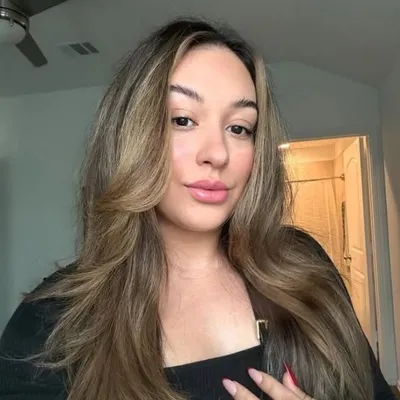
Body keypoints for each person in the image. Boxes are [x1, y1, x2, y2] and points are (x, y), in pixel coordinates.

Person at [0, 17, 395, 400]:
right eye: (183, 120)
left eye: (239, 128)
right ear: (130, 135)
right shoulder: (49, 321)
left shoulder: (304, 262)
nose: (217, 154)